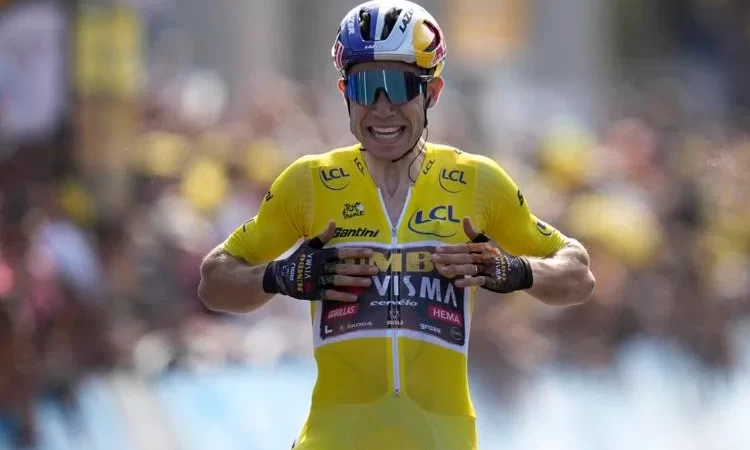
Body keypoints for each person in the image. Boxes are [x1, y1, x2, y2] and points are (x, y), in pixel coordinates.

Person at [198, 1, 595, 448]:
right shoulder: (309, 181)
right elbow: (214, 281)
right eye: (367, 87)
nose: (382, 108)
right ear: (345, 92)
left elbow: (578, 272)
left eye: (400, 86)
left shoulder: (477, 181)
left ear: (433, 92)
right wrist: (282, 276)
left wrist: (515, 271)